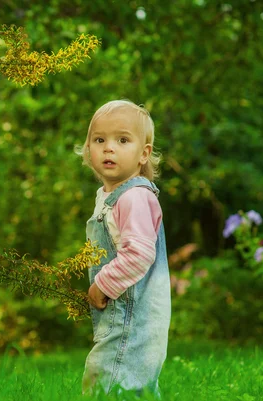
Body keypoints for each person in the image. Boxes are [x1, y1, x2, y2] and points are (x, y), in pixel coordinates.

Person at [76, 99, 171, 398]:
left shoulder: (134, 198)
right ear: (88, 148)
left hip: (131, 315)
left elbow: (140, 253)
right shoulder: (110, 196)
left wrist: (103, 284)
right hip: (124, 314)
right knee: (132, 384)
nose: (108, 148)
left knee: (106, 379)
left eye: (122, 140)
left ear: (143, 154)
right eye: (99, 139)